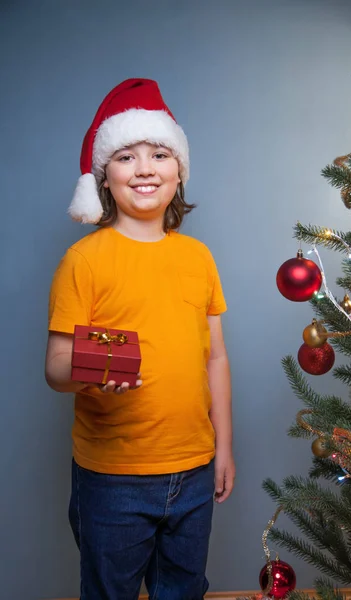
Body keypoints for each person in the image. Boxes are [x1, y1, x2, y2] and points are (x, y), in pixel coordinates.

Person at [45, 78, 234, 600]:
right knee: (109, 592)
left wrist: (224, 447)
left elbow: (215, 358)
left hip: (194, 466)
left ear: (180, 172)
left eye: (159, 154)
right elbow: (55, 365)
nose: (145, 168)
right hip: (113, 478)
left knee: (183, 590)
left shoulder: (198, 258)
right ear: (105, 178)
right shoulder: (85, 260)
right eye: (126, 156)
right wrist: (95, 370)